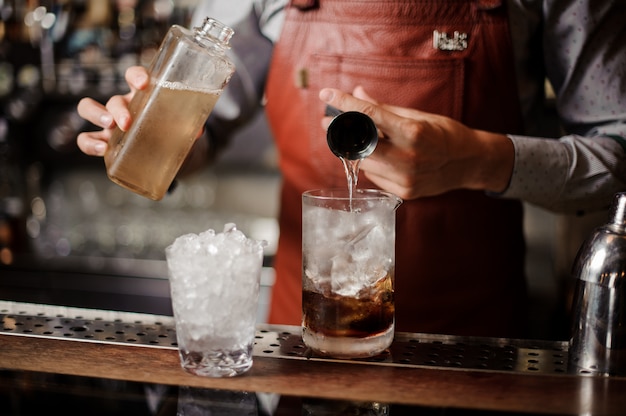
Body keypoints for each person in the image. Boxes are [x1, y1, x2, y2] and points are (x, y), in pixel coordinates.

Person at [76, 0, 626, 338]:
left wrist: (479, 159)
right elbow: (206, 128)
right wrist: (149, 140)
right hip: (302, 335)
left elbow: (616, 158)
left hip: (476, 343)